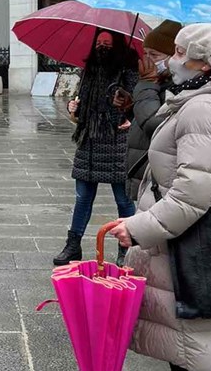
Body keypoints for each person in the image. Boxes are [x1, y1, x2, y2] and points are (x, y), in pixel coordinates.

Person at [110, 23, 211, 371]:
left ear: (205, 63)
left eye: (182, 52)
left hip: (194, 248)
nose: (173, 60)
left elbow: (190, 197)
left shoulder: (203, 109)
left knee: (195, 352)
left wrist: (139, 228)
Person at [53, 30, 138, 267]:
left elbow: (137, 104)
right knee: (82, 197)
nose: (102, 47)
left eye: (107, 43)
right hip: (88, 139)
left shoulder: (129, 70)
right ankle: (73, 245)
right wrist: (74, 108)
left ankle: (126, 247)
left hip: (116, 141)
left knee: (123, 199)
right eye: (99, 42)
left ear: (118, 45)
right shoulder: (89, 70)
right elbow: (81, 107)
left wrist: (129, 110)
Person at [124, 21, 179, 200]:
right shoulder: (160, 81)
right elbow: (144, 120)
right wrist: (130, 108)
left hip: (159, 179)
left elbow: (154, 123)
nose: (148, 60)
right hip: (145, 173)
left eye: (154, 55)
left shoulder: (177, 86)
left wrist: (146, 85)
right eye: (145, 54)